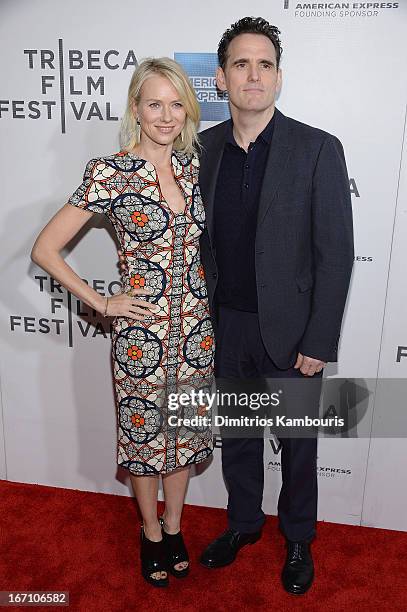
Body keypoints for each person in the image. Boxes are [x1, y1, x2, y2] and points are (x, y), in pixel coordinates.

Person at [31, 57, 215, 588]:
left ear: (188, 109)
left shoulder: (190, 166)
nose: (166, 115)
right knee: (144, 439)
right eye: (154, 103)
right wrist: (103, 303)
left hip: (195, 331)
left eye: (176, 103)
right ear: (135, 108)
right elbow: (45, 248)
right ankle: (151, 532)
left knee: (180, 434)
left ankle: (176, 526)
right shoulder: (110, 171)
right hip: (143, 335)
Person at [197, 17, 354, 595]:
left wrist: (318, 342)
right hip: (225, 327)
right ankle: (243, 525)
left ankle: (298, 540)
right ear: (221, 78)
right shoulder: (203, 148)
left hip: (290, 335)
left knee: (297, 450)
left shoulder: (316, 148)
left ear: (279, 77)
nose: (253, 74)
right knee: (237, 438)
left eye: (264, 63)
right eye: (241, 63)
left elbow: (336, 253)